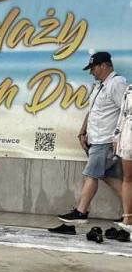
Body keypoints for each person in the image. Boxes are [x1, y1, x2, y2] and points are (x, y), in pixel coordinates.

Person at [49, 51, 126, 234]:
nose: (91, 72)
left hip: (105, 140)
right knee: (109, 177)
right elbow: (93, 112)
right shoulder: (100, 85)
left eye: (93, 68)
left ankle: (81, 212)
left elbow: (127, 112)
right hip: (96, 139)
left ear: (104, 66)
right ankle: (130, 213)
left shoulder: (117, 84)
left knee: (91, 175)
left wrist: (118, 137)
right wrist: (83, 131)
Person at [112, 82, 132, 233]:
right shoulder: (129, 89)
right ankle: (128, 218)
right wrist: (116, 136)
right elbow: (122, 115)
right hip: (128, 137)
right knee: (128, 178)